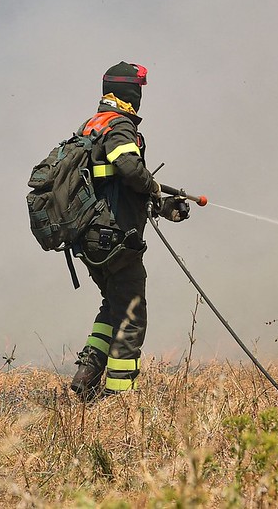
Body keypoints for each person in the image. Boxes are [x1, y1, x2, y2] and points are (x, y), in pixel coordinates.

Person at [69, 61, 189, 401]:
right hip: (113, 239)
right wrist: (153, 185)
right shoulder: (119, 126)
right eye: (137, 90)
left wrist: (163, 205)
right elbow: (129, 169)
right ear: (128, 92)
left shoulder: (91, 126)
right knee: (132, 315)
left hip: (91, 239)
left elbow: (116, 188)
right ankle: (119, 399)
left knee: (113, 307)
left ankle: (86, 375)